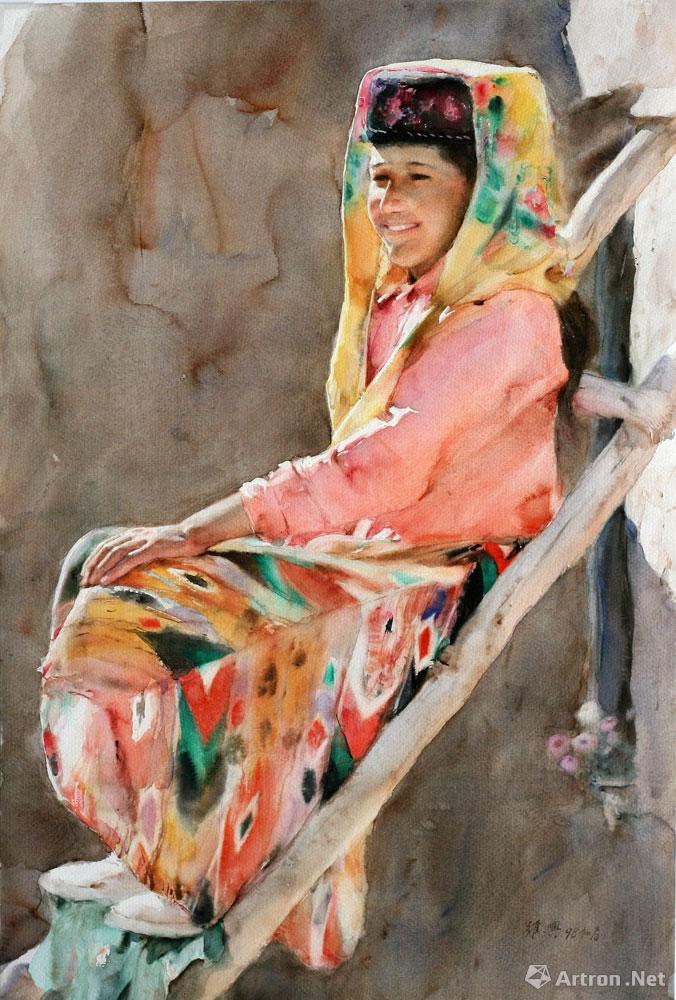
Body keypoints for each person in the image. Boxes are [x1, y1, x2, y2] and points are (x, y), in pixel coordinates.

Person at [36, 60, 578, 981]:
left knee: (219, 617)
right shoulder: (408, 302)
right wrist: (195, 543)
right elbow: (362, 484)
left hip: (438, 576)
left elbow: (379, 467)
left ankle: (204, 874)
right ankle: (158, 849)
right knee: (114, 575)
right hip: (371, 548)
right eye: (379, 177)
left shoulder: (511, 319)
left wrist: (197, 531)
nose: (390, 204)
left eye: (420, 180)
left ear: (483, 193)